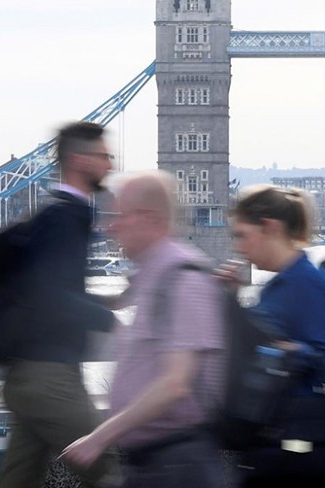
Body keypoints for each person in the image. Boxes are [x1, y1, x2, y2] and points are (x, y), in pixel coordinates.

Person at [61, 171, 227, 487]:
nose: (110, 227)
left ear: (150, 218)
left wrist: (99, 438)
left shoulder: (183, 278)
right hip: (151, 464)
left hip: (177, 466)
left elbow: (175, 384)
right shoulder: (153, 276)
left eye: (120, 216)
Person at [0, 121, 119, 488]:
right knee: (110, 471)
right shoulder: (68, 216)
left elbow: (52, 290)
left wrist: (117, 299)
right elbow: (52, 295)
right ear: (80, 161)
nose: (111, 165)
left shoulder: (52, 213)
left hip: (26, 377)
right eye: (104, 156)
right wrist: (113, 322)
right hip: (50, 378)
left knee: (18, 480)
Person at [226, 185, 325, 486]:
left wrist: (285, 350)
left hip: (302, 440)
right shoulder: (280, 286)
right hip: (283, 437)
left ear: (270, 227)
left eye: (242, 235)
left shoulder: (305, 283)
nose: (238, 248)